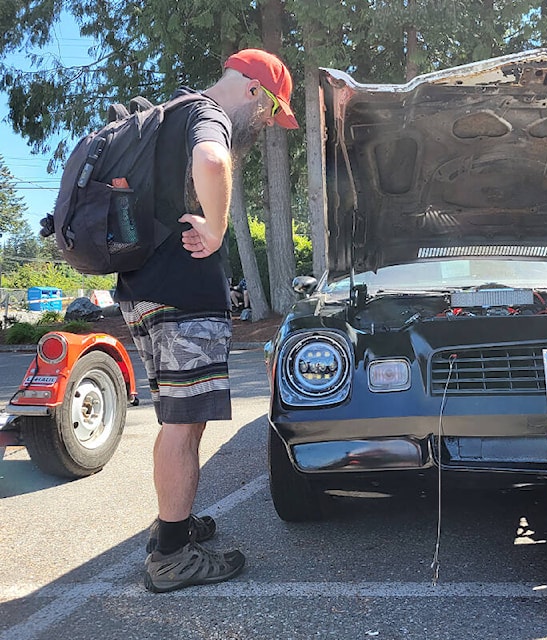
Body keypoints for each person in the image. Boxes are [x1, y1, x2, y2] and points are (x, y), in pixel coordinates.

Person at [114, 48, 298, 593]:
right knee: (181, 424)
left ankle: (173, 522)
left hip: (143, 289)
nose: (266, 122)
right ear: (253, 91)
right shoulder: (207, 115)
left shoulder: (165, 117)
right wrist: (216, 231)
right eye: (270, 111)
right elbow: (214, 162)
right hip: (182, 297)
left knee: (180, 418)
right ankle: (171, 555)